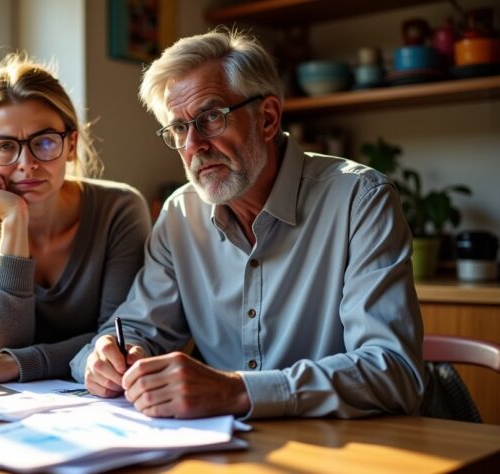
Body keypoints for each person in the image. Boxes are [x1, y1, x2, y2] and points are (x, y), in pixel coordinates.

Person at [71, 28, 425, 420]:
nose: (193, 146)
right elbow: (137, 328)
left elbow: (393, 371)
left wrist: (237, 390)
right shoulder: (179, 215)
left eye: (210, 117)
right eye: (179, 128)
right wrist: (107, 356)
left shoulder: (360, 199)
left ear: (268, 118)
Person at [0, 54, 151, 384]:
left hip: (99, 402)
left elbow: (115, 341)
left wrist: (18, 364)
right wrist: (15, 221)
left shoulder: (120, 209)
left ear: (71, 145)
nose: (26, 163)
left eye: (43, 142)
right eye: (4, 146)